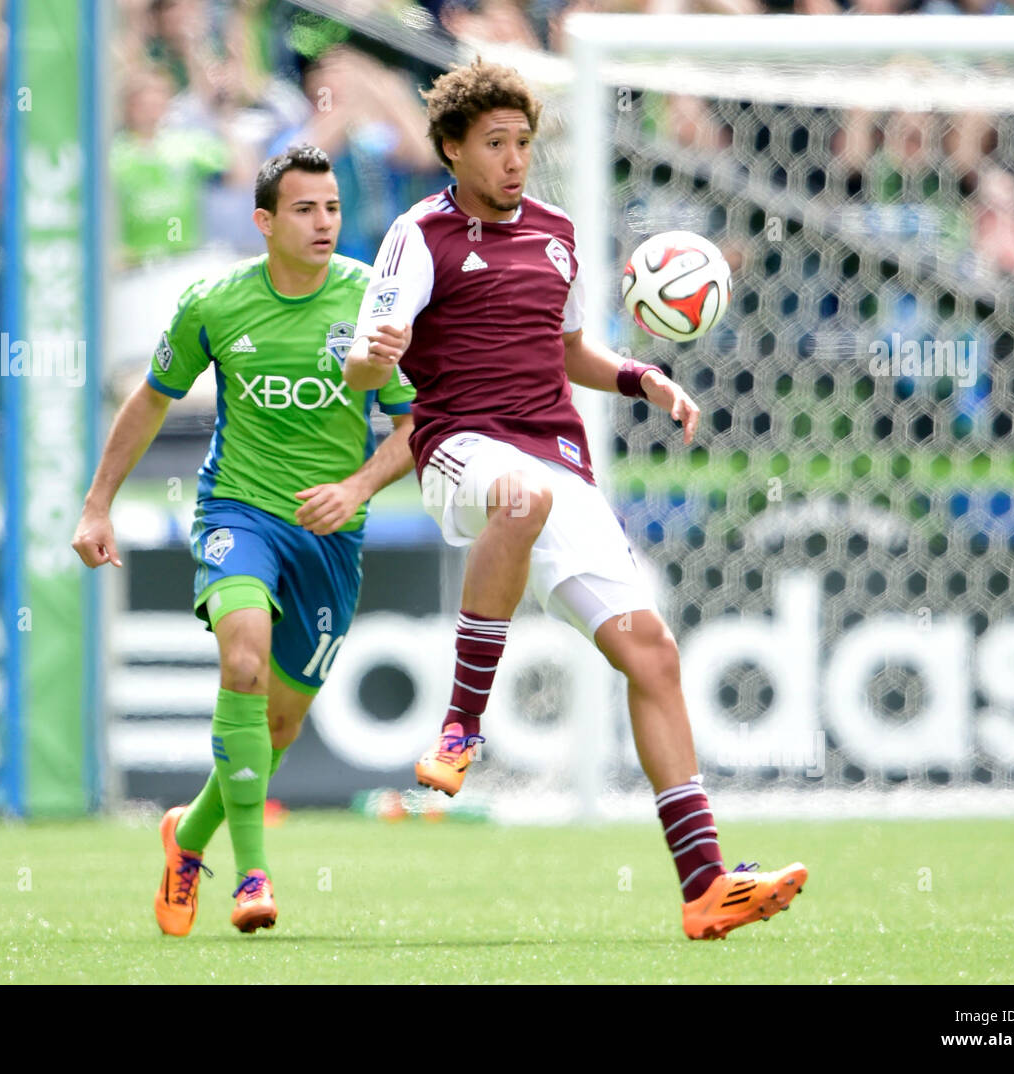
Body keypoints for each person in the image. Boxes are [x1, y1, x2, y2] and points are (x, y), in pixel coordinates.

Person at [343, 60, 806, 941]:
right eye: (496, 144)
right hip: (460, 447)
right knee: (516, 500)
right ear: (451, 149)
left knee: (653, 654)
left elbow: (571, 352)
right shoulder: (418, 235)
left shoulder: (556, 235)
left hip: (560, 458)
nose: (516, 160)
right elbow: (367, 367)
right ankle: (458, 731)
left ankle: (706, 885)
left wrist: (644, 378)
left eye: (524, 142)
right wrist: (375, 354)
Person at [72, 144, 416, 936]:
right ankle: (252, 876)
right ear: (264, 221)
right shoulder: (215, 302)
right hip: (240, 513)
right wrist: (98, 505)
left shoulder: (373, 302)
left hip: (331, 535)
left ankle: (186, 836)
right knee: (244, 660)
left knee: (281, 724)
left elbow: (415, 425)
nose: (324, 221)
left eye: (331, 207)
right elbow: (150, 400)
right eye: (305, 209)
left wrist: (357, 488)